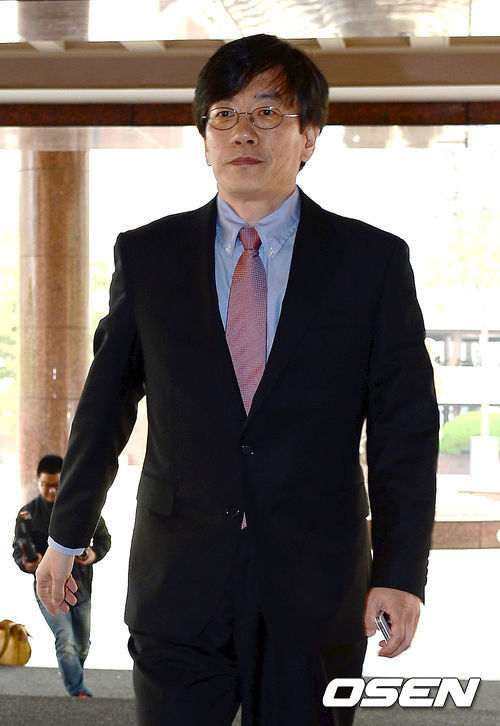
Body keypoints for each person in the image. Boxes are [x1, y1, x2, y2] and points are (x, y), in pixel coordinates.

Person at [36, 33, 439, 725]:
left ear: (309, 137)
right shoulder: (149, 256)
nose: (242, 131)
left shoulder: (370, 263)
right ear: (204, 138)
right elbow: (104, 410)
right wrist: (64, 537)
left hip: (315, 588)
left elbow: (405, 433)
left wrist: (401, 574)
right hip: (178, 583)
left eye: (267, 112)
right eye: (223, 114)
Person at [13, 454, 111, 697]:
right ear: (38, 482)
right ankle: (77, 690)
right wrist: (28, 563)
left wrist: (92, 554)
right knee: (65, 640)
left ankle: (70, 672)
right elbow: (18, 550)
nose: (51, 490)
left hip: (81, 589)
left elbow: (104, 540)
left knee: (82, 645)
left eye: (56, 485)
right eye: (45, 485)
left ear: (65, 480)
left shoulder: (83, 508)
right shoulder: (27, 514)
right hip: (49, 589)